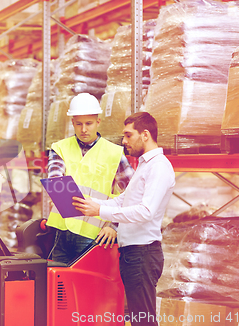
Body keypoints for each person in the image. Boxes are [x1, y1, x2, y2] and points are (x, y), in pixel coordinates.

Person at [72, 111, 175, 326]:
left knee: (143, 320)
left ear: (145, 135)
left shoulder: (159, 167)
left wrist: (100, 211)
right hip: (133, 254)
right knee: (138, 318)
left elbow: (145, 211)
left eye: (128, 135)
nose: (124, 141)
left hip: (143, 254)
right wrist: (91, 204)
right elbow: (124, 201)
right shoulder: (145, 165)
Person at [46, 92, 134, 265]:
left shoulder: (114, 153)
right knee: (57, 286)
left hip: (94, 236)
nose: (84, 129)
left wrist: (115, 225)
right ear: (72, 123)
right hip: (61, 231)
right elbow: (55, 179)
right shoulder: (60, 148)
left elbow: (133, 194)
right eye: (78, 124)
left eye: (89, 123)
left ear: (98, 122)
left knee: (87, 286)